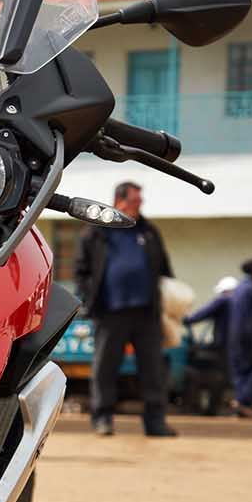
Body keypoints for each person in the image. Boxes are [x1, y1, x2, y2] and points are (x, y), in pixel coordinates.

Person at [73, 181, 176, 438]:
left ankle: (155, 422)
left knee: (153, 369)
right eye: (135, 201)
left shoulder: (149, 231)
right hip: (110, 312)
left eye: (140, 201)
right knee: (105, 367)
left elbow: (163, 268)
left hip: (146, 313)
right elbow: (80, 271)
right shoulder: (97, 232)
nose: (140, 205)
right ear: (119, 201)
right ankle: (103, 419)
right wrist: (89, 298)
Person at [225, 259, 252, 417]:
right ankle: (242, 401)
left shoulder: (238, 288)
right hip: (249, 336)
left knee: (241, 371)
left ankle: (241, 403)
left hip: (235, 336)